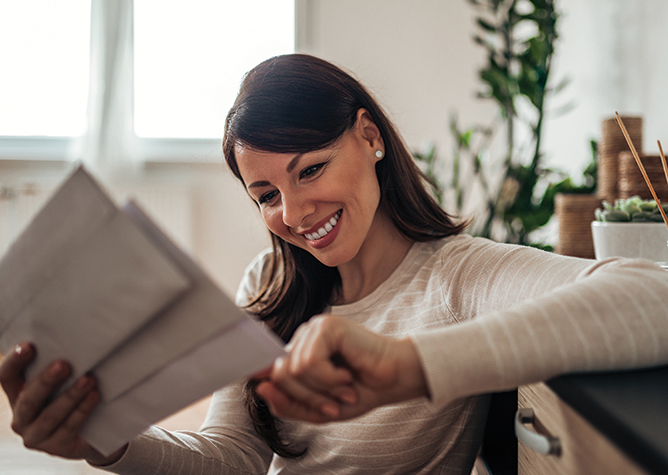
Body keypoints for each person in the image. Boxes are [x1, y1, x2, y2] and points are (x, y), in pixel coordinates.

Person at [1, 53, 667, 474]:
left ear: (369, 137)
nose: (292, 212)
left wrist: (404, 366)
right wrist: (103, 441)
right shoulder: (270, 284)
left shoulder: (458, 275)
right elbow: (232, 458)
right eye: (266, 194)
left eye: (311, 168)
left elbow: (654, 291)